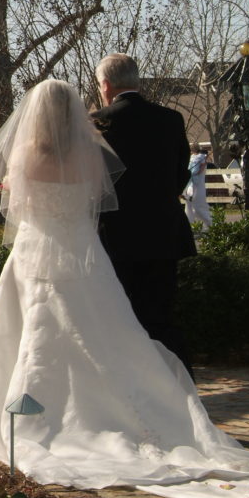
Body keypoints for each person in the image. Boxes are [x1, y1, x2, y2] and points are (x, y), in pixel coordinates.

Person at [0, 78, 249, 490]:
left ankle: (31, 413)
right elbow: (94, 203)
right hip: (85, 253)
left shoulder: (26, 156)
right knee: (107, 332)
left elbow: (17, 207)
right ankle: (124, 413)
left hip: (36, 252)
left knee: (30, 332)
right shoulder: (90, 156)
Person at [92, 53, 197, 379]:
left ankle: (132, 386)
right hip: (164, 233)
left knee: (120, 316)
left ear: (106, 85)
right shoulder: (171, 119)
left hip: (116, 235)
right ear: (136, 81)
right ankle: (180, 386)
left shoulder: (98, 123)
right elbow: (182, 174)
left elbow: (93, 182)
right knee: (160, 317)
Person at [184, 144, 212, 229]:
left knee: (197, 205)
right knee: (189, 204)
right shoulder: (194, 158)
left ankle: (209, 224)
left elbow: (197, 171)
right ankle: (189, 224)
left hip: (197, 184)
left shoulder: (200, 158)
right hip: (191, 184)